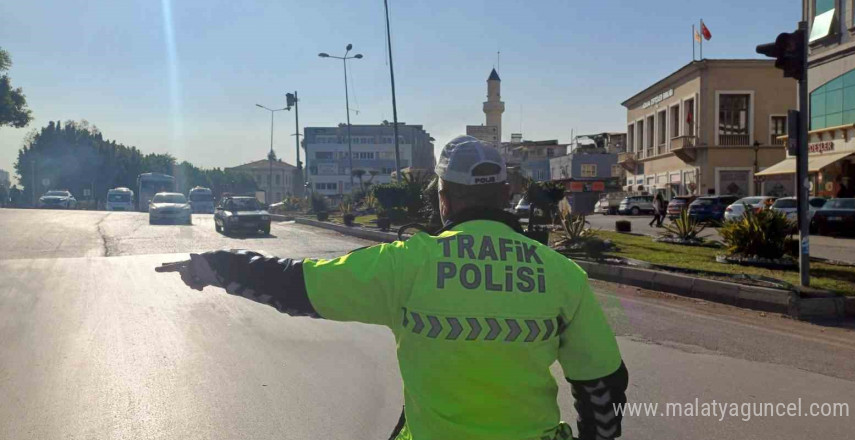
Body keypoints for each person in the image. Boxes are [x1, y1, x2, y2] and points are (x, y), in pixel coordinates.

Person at [156, 135, 628, 440]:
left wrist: (212, 265)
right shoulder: (562, 274)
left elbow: (291, 285)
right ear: (507, 195)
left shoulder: (406, 265)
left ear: (443, 199)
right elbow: (602, 389)